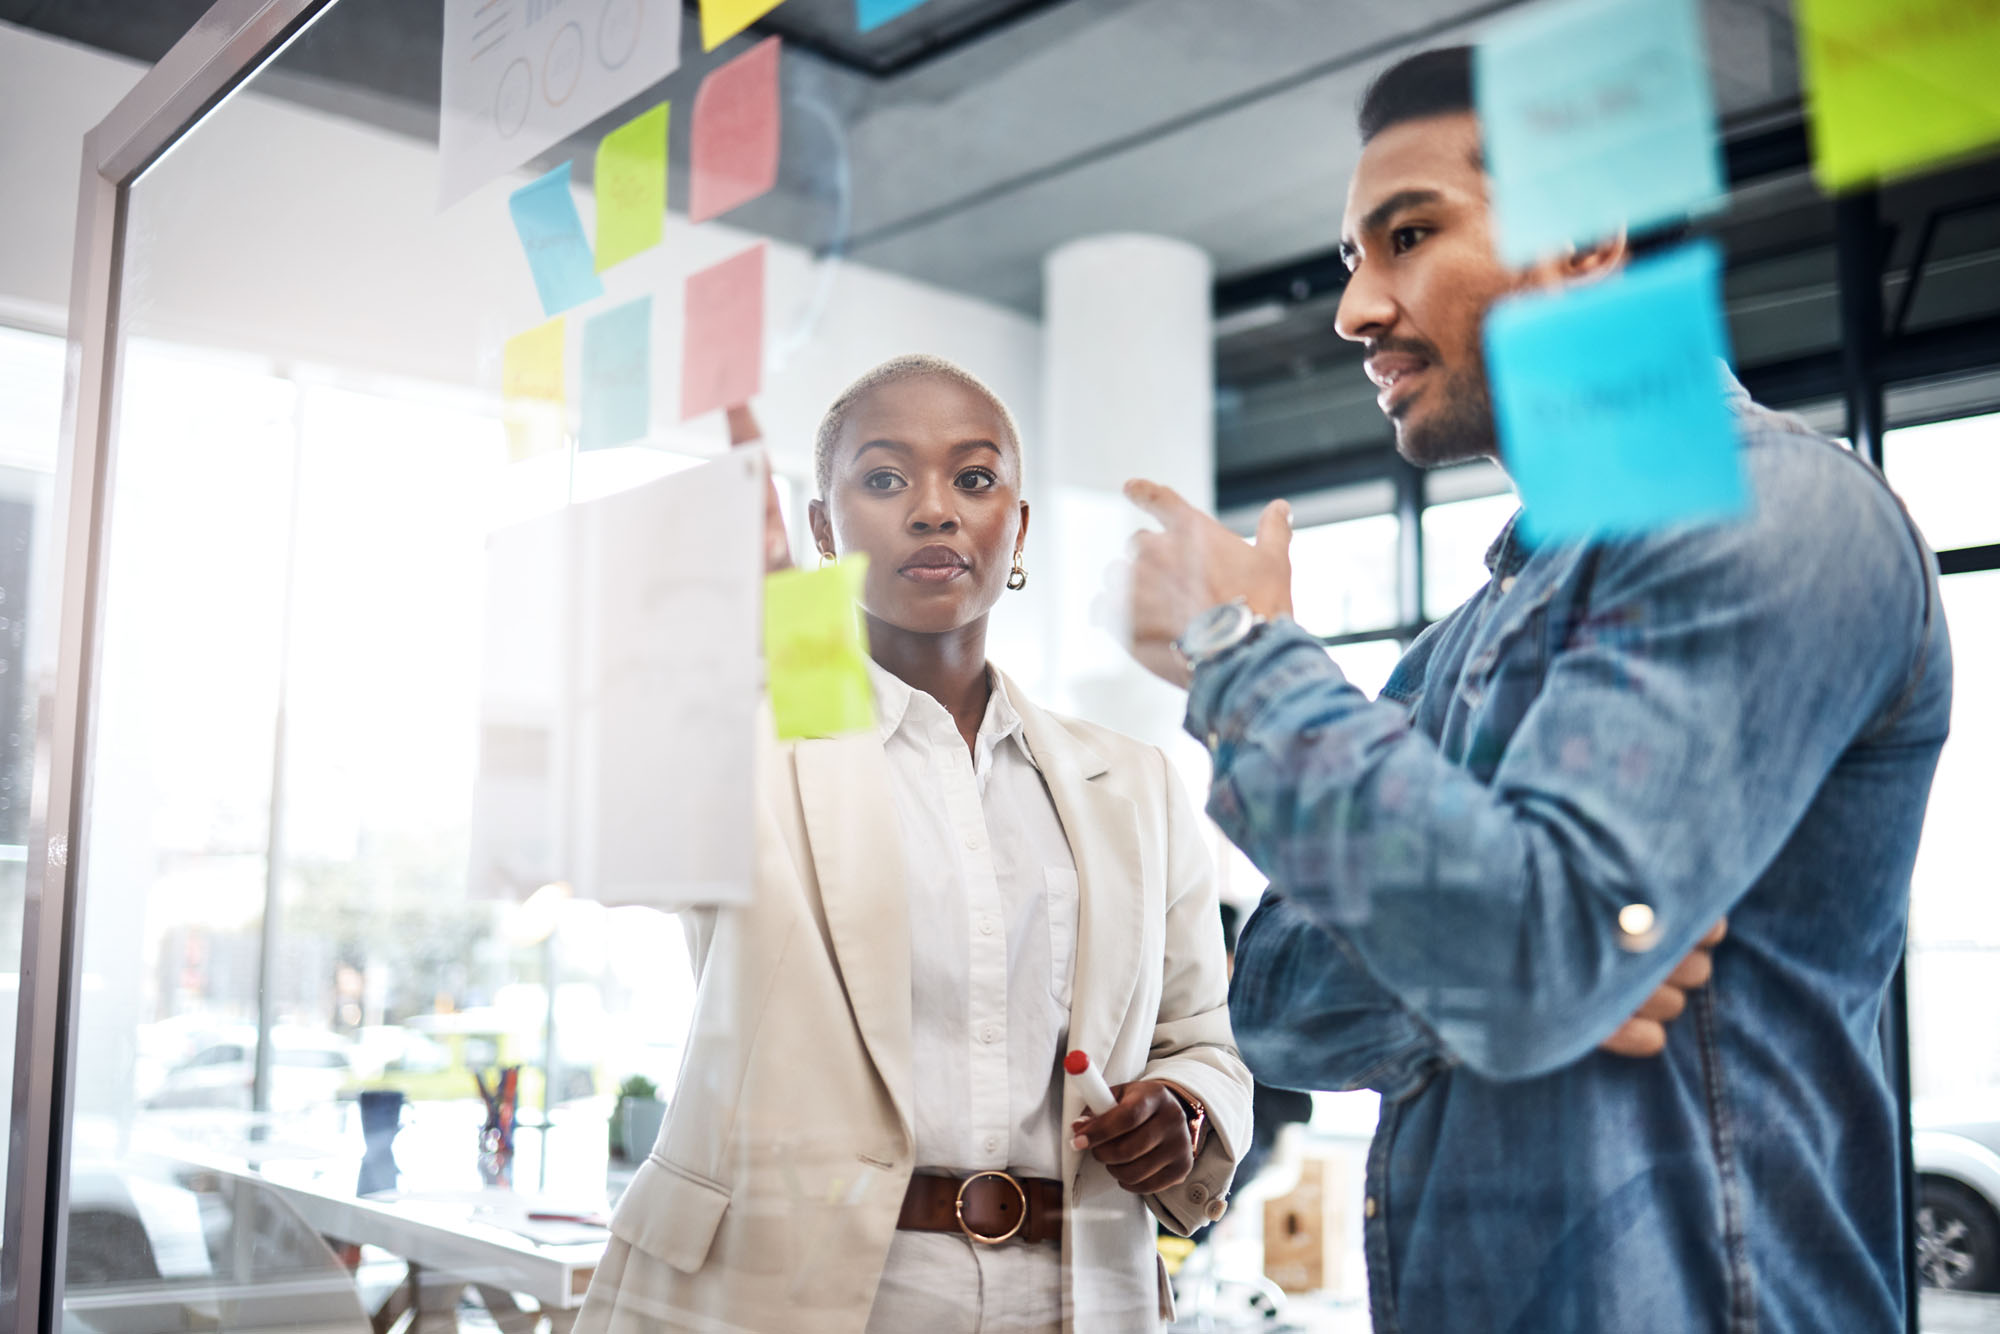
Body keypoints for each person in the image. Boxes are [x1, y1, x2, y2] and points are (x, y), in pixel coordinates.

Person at [1109, 47, 1952, 1334]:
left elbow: (1528, 953)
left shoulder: (1773, 507)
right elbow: (1271, 997)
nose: (1354, 310)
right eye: (1350, 259)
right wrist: (1503, 952)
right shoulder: (1452, 647)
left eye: (1406, 236)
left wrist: (1236, 647)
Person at [578, 355, 1253, 1334]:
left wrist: (1183, 1107)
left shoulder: (1134, 783)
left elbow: (1201, 1035)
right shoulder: (741, 739)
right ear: (822, 528)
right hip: (799, 1294)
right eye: (884, 478)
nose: (933, 509)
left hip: (1076, 1293)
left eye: (974, 479)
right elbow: (607, 829)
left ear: (1015, 528)